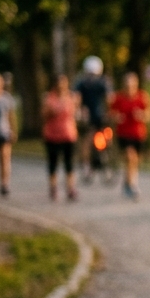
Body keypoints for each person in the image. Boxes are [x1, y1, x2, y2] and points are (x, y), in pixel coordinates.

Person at [110, 72, 150, 201]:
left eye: (132, 84)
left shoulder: (142, 96)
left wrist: (142, 115)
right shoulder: (118, 97)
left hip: (138, 134)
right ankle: (131, 186)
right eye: (127, 85)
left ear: (136, 84)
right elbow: (110, 113)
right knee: (130, 156)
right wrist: (116, 117)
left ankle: (127, 182)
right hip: (123, 133)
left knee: (134, 162)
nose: (129, 87)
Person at [42, 74, 81, 202]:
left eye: (63, 83)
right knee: (53, 163)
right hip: (52, 135)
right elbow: (43, 115)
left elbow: (76, 113)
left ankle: (70, 188)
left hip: (68, 135)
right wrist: (52, 111)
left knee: (69, 163)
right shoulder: (49, 98)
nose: (61, 86)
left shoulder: (72, 97)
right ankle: (53, 187)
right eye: (59, 83)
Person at [75, 55, 111, 185]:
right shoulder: (82, 83)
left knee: (106, 139)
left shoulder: (102, 82)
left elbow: (108, 99)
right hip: (89, 117)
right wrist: (79, 111)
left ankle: (106, 163)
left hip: (100, 116)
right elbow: (77, 98)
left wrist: (108, 112)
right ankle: (87, 166)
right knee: (88, 140)